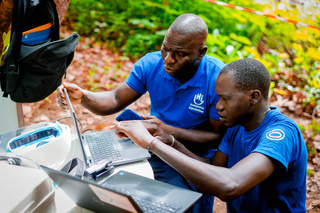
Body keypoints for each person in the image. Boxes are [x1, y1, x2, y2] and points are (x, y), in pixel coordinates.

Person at [57, 13, 226, 212]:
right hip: (151, 148)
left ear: (201, 52)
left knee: (179, 206)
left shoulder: (217, 79)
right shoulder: (151, 64)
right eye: (165, 49)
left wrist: (169, 132)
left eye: (180, 54)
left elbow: (217, 137)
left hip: (191, 158)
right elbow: (115, 99)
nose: (168, 60)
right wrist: (83, 97)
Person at [115, 58, 307, 212]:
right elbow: (213, 167)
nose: (218, 106)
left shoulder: (281, 134)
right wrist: (170, 142)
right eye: (218, 97)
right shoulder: (237, 126)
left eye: (226, 99)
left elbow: (230, 185)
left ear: (254, 97)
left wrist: (150, 143)